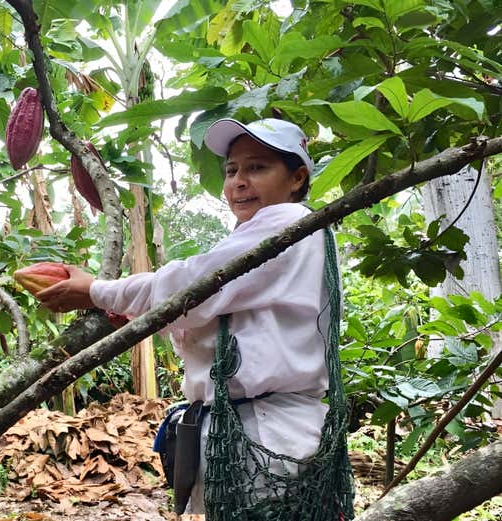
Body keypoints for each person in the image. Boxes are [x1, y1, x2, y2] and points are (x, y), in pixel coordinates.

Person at [36, 118, 343, 516]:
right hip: (266, 432)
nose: (239, 181)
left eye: (257, 167)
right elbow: (209, 316)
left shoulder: (286, 223)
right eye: (232, 170)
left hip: (265, 438)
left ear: (297, 178)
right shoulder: (295, 236)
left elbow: (190, 287)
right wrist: (127, 310)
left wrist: (96, 290)